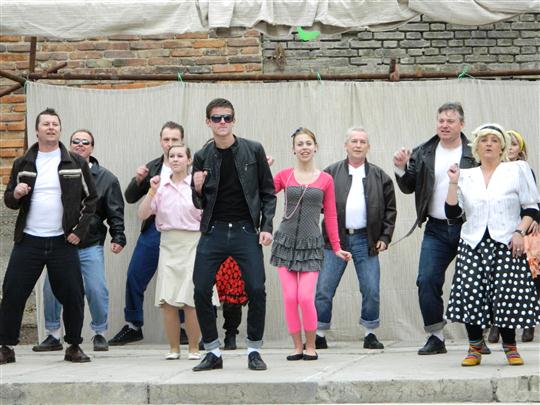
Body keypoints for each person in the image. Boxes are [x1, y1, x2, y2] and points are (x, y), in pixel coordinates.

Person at [392, 102, 490, 355]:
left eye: (450, 121)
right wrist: (401, 167)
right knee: (427, 280)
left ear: (461, 124)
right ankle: (436, 337)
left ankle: (477, 339)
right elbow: (409, 187)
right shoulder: (423, 152)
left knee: (473, 283)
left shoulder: (474, 152)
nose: (444, 125)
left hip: (470, 227)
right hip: (435, 229)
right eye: (441, 121)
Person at [0, 108, 97, 364]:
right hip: (29, 240)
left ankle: (73, 345)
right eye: (46, 124)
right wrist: (16, 193)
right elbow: (9, 199)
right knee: (13, 292)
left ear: (60, 130)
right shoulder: (23, 163)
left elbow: (91, 200)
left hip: (62, 241)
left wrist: (78, 232)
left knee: (73, 294)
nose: (51, 127)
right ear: (37, 130)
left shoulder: (75, 163)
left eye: (55, 124)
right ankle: (5, 347)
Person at [191, 98, 276, 371]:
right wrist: (197, 189)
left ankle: (254, 350)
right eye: (217, 118)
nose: (222, 122)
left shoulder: (253, 150)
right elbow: (198, 203)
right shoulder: (202, 156)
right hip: (213, 230)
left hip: (245, 230)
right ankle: (213, 352)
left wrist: (266, 226)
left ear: (234, 120)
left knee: (256, 289)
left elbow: (268, 192)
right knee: (200, 289)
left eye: (227, 117)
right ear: (208, 122)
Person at [445, 123, 540, 366]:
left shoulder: (516, 170)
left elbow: (531, 208)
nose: (489, 144)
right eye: (484, 140)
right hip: (472, 242)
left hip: (507, 241)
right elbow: (452, 213)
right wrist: (453, 182)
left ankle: (510, 347)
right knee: (471, 293)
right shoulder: (466, 175)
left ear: (502, 147)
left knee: (506, 294)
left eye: (494, 140)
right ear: (476, 147)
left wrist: (519, 231)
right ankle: (474, 347)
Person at [33, 129, 126, 353]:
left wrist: (118, 236)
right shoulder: (56, 171)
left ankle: (99, 333)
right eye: (76, 141)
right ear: (70, 145)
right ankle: (53, 334)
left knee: (96, 289)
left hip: (89, 244)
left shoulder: (106, 179)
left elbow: (115, 212)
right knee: (51, 290)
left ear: (92, 147)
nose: (80, 145)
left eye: (85, 142)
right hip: (59, 243)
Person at [272, 127, 351, 361]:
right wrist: (264, 169)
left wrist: (336, 247)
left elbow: (332, 215)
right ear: (293, 149)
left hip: (311, 245)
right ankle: (297, 346)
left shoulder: (326, 179)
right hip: (285, 243)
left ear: (315, 147)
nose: (304, 147)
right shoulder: (284, 175)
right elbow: (263, 192)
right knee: (290, 298)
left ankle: (311, 345)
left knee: (306, 297)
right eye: (300, 144)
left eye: (308, 143)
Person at [315, 127, 396, 350]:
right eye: (354, 141)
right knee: (323, 289)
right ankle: (319, 334)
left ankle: (370, 333)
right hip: (335, 240)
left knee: (371, 289)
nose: (358, 145)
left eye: (362, 141)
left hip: (366, 240)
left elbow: (390, 210)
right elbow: (316, 201)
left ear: (368, 147)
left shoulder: (380, 176)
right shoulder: (330, 173)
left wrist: (385, 236)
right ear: (346, 145)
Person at [109, 122, 184, 346]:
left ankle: (183, 329)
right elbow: (130, 197)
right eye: (166, 139)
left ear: (181, 141)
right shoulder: (153, 167)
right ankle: (133, 325)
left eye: (174, 139)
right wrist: (138, 180)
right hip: (154, 228)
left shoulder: (191, 164)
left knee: (181, 279)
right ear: (161, 141)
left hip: (183, 231)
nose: (170, 144)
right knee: (135, 274)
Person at [138, 143, 207, 360]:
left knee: (190, 300)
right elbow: (142, 214)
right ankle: (174, 348)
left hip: (193, 244)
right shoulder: (161, 186)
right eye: (172, 156)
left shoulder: (197, 185)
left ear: (189, 160)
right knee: (168, 301)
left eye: (180, 156)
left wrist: (201, 189)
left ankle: (194, 348)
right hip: (168, 244)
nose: (176, 159)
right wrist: (151, 191)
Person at [488, 129, 540, 344]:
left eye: (514, 144)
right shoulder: (493, 169)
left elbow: (532, 201)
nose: (510, 148)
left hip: (524, 230)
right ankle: (496, 325)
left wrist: (535, 220)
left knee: (529, 277)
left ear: (521, 149)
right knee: (498, 279)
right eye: (507, 144)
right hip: (501, 231)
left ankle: (528, 324)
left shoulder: (524, 169)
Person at [215, 256, 247, 350]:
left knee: (234, 295)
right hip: (213, 254)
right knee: (209, 295)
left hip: (236, 255)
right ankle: (209, 336)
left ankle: (231, 334)